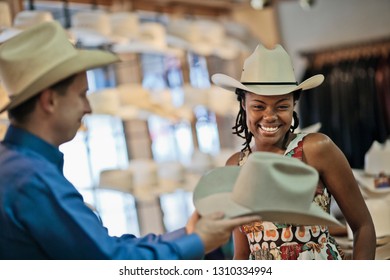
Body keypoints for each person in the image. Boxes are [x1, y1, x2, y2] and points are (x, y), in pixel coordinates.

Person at [0, 21, 260, 260]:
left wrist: (189, 235)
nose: (87, 108)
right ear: (50, 101)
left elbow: (98, 248)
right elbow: (109, 263)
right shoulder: (31, 179)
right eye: (82, 95)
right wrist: (197, 241)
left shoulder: (18, 167)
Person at [211, 43, 376, 260]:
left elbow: (363, 226)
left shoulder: (316, 149)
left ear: (294, 103)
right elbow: (242, 253)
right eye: (259, 106)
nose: (269, 116)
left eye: (281, 106)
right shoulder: (234, 167)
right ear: (243, 103)